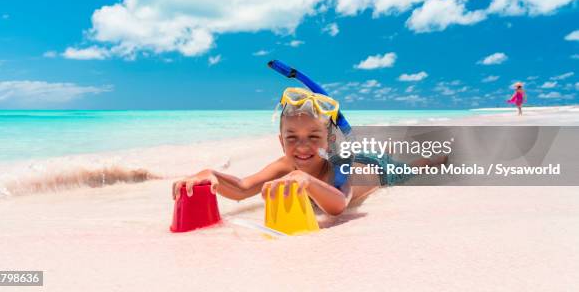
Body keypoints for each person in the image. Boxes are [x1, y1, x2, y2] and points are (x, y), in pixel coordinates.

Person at [172, 87, 445, 216]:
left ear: (329, 140)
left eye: (313, 137)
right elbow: (243, 188)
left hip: (374, 170)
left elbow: (338, 205)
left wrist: (307, 181)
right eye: (292, 138)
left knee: (412, 168)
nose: (302, 147)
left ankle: (440, 156)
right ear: (281, 141)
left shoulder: (341, 169)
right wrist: (210, 176)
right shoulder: (283, 166)